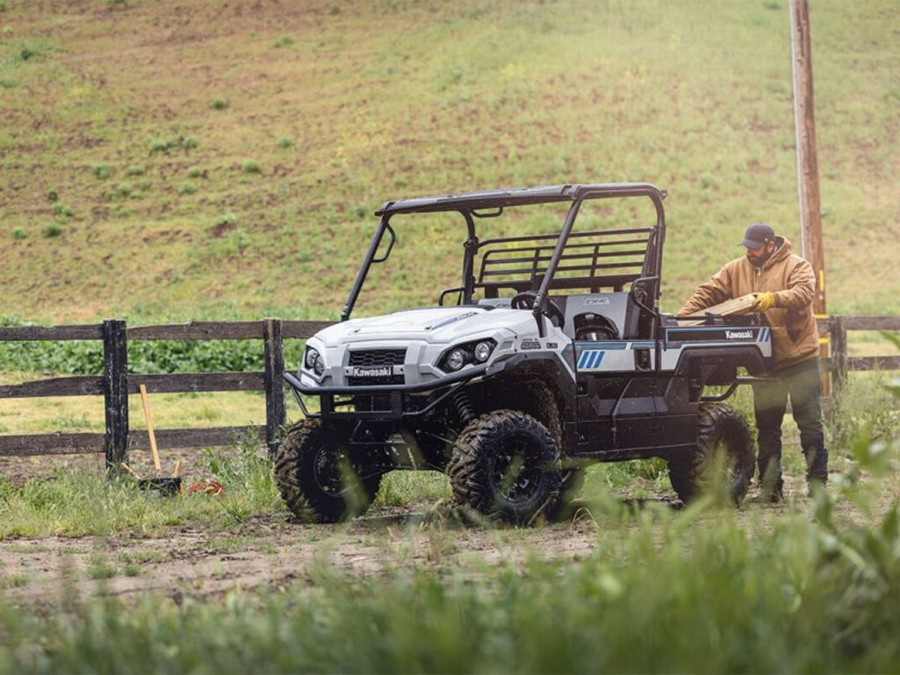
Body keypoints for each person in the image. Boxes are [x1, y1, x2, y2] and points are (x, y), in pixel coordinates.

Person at [678, 222, 828, 501]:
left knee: (809, 424)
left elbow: (804, 294)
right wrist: (681, 319)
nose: (749, 253)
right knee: (767, 429)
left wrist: (771, 299)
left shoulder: (798, 266)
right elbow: (708, 292)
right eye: (746, 247)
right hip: (765, 364)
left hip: (800, 360)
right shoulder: (736, 269)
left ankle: (818, 485)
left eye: (755, 248)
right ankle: (771, 489)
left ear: (771, 245)